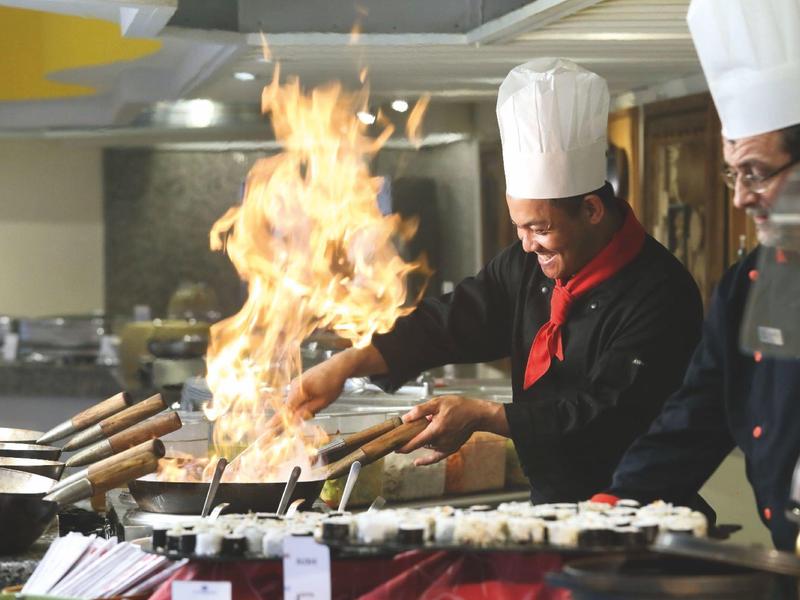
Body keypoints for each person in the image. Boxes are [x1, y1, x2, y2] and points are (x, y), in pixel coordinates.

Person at [289, 58, 703, 503]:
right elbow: (450, 321)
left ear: (592, 210)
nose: (527, 246)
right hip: (552, 502)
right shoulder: (527, 265)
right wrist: (348, 363)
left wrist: (485, 415)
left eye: (540, 229)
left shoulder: (661, 292)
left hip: (637, 508)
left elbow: (607, 413)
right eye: (518, 228)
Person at [599, 0, 800, 554]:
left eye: (756, 174)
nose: (740, 198)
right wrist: (617, 502)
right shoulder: (747, 284)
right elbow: (700, 410)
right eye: (733, 174)